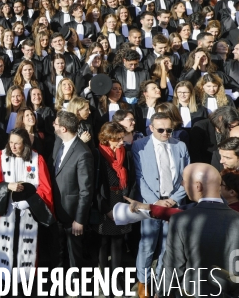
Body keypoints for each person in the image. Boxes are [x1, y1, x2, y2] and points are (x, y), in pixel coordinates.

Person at [163, 163, 239, 297]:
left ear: (198, 186)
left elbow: (173, 268)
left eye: (184, 180)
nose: (182, 185)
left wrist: (165, 293)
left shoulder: (181, 221)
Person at [132, 112, 190, 298]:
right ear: (150, 128)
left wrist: (173, 199)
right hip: (151, 203)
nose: (166, 133)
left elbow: (186, 177)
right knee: (147, 245)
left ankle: (160, 287)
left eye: (169, 130)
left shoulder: (180, 146)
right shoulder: (139, 145)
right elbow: (139, 177)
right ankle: (144, 285)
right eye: (161, 130)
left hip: (175, 203)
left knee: (169, 246)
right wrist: (155, 202)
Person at [0, 128, 54, 286]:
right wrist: (8, 186)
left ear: (26, 144)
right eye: (11, 143)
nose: (13, 147)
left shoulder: (37, 159)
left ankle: (24, 282)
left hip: (28, 212)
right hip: (7, 209)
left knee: (26, 246)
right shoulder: (0, 156)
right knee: (6, 244)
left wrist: (30, 202)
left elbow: (45, 188)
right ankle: (4, 281)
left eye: (17, 143)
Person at [50, 111, 94, 270]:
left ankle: (76, 285)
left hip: (72, 215)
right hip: (56, 211)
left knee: (74, 255)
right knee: (57, 251)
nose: (53, 125)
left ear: (63, 129)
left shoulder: (83, 153)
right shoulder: (58, 143)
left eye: (55, 123)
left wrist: (79, 219)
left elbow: (86, 190)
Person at [93, 122, 135, 280]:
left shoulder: (126, 154)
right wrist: (106, 210)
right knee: (103, 243)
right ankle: (103, 278)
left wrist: (129, 202)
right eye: (117, 139)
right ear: (107, 139)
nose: (121, 142)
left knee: (118, 242)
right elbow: (94, 187)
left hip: (121, 202)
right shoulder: (97, 155)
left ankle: (116, 278)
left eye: (122, 138)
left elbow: (132, 180)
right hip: (105, 202)